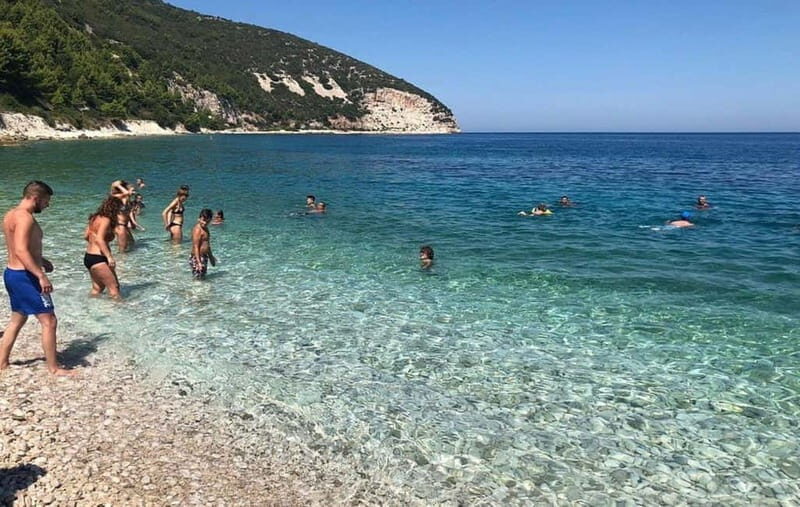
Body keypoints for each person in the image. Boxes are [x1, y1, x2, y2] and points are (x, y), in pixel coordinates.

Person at [0, 181, 74, 376]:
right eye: (46, 201)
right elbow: (21, 250)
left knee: (18, 318)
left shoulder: (10, 215)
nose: (47, 205)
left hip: (12, 273)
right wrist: (40, 275)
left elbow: (19, 248)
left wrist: (42, 259)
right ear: (35, 198)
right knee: (49, 321)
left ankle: (2, 362)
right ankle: (54, 368)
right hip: (26, 276)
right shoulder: (25, 218)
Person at [84, 196, 122, 299]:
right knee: (114, 288)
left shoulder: (94, 217)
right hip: (99, 258)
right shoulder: (106, 220)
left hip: (89, 257)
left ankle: (88, 310)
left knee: (97, 289)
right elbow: (99, 239)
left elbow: (86, 236)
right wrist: (109, 257)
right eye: (119, 209)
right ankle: (118, 312)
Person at [189, 208, 217, 279]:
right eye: (203, 220)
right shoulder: (197, 230)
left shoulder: (206, 229)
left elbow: (207, 244)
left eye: (207, 222)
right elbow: (196, 246)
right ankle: (196, 290)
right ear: (199, 219)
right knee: (198, 278)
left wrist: (211, 257)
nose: (204, 223)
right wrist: (198, 262)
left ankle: (202, 290)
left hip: (204, 256)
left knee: (203, 277)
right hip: (197, 257)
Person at [110, 180, 136, 252]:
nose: (134, 193)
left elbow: (127, 213)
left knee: (132, 244)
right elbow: (114, 189)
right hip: (120, 226)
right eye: (133, 191)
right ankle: (120, 262)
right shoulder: (119, 198)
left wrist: (132, 223)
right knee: (123, 251)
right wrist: (118, 185)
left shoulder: (128, 201)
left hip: (125, 227)